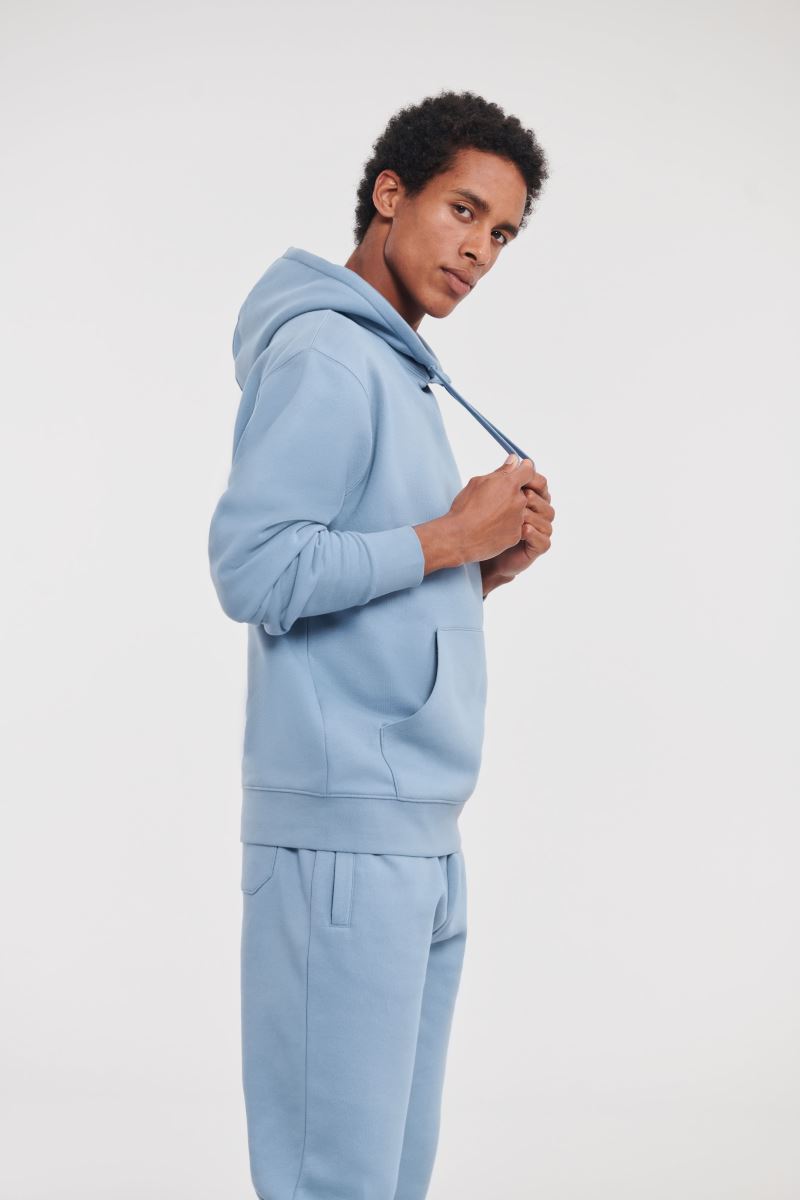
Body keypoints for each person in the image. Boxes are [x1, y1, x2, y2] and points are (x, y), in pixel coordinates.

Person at [208, 88, 554, 1200]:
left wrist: (475, 569)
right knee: (337, 1184)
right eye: (463, 210)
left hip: (414, 837)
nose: (480, 250)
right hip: (342, 843)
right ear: (389, 194)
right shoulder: (327, 353)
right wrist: (451, 535)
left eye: (502, 234)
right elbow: (256, 570)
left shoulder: (395, 366)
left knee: (388, 1180)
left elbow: (352, 579)